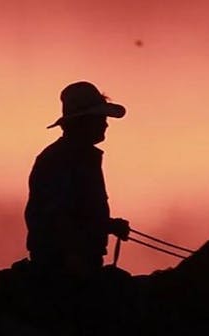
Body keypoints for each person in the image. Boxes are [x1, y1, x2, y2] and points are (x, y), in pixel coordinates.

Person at [25, 81, 130, 284]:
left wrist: (108, 225)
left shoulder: (77, 156)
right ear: (84, 122)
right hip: (63, 265)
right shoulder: (62, 158)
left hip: (80, 260)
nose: (105, 124)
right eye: (100, 118)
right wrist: (73, 258)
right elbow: (58, 215)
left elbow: (77, 212)